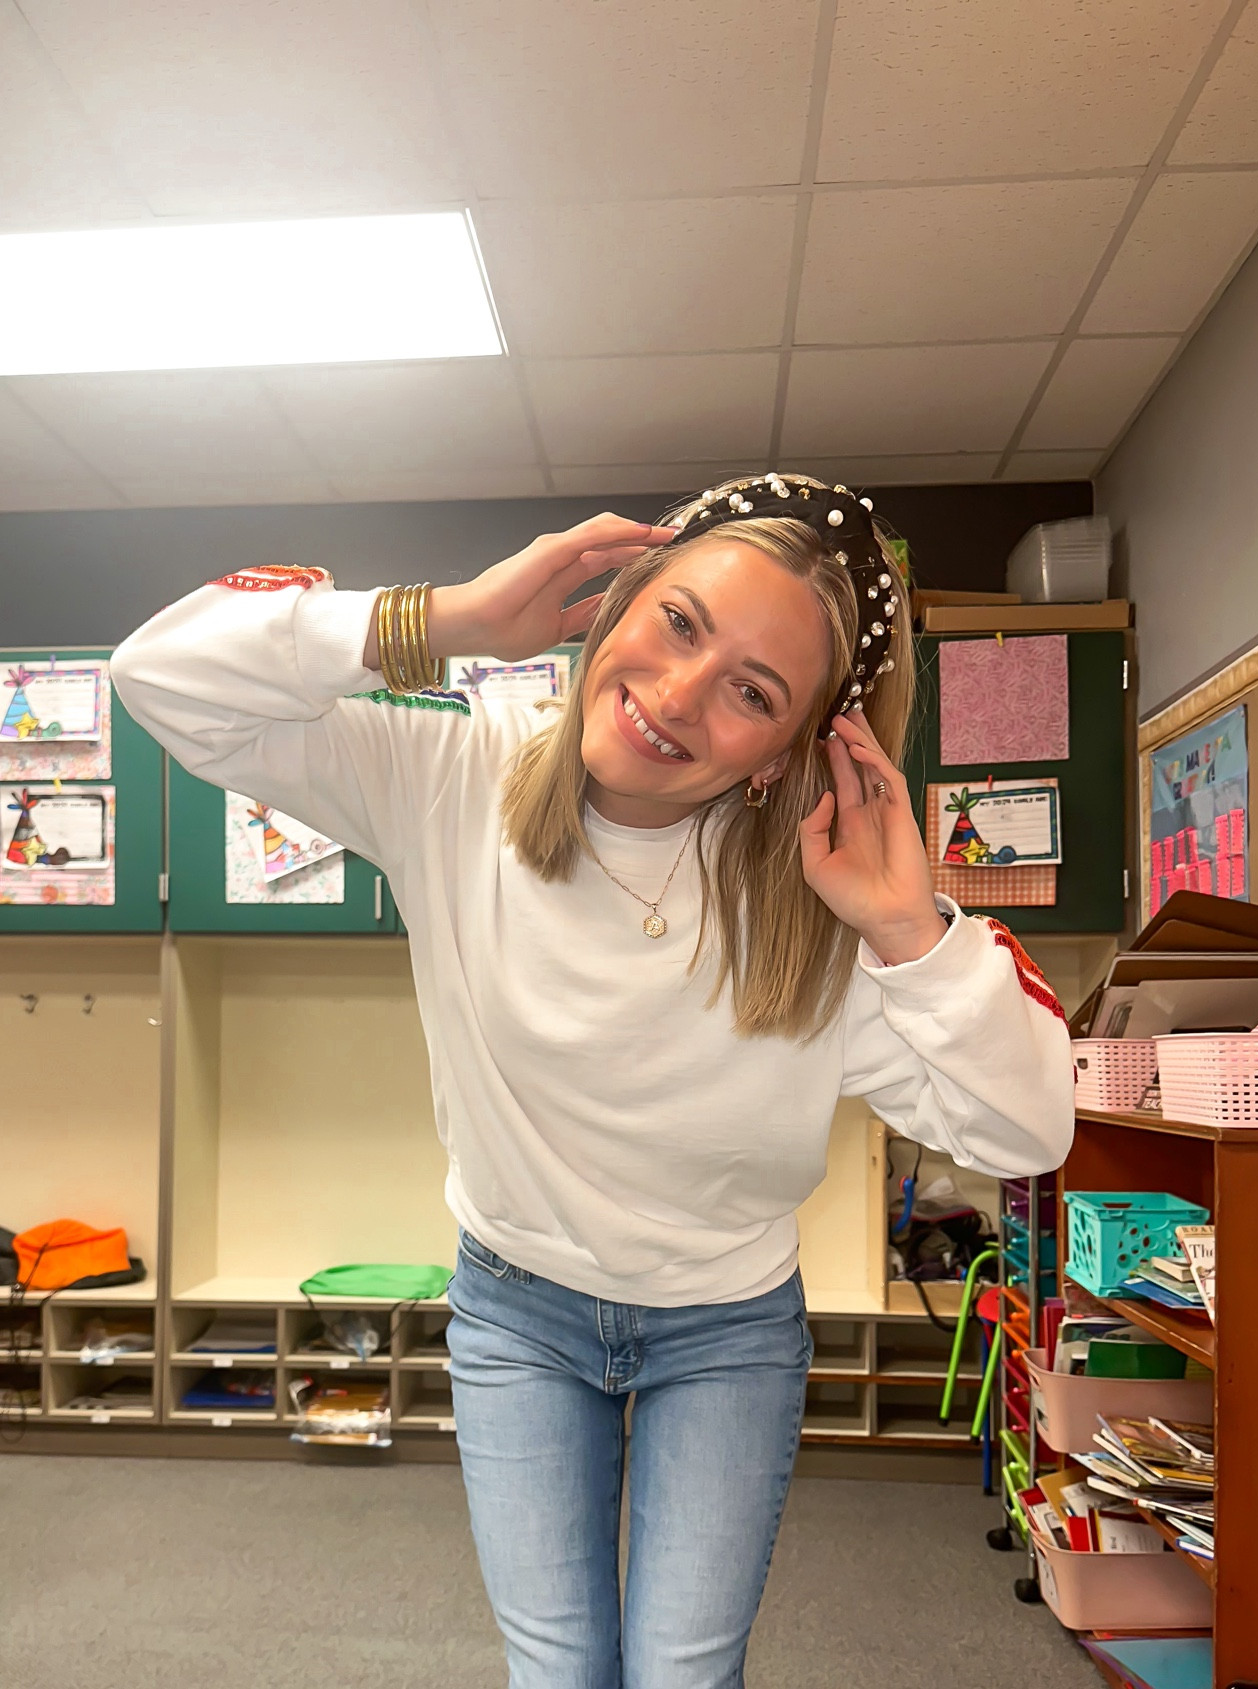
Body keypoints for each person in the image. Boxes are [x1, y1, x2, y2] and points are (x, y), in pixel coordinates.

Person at [111, 472, 1073, 1689]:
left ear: (793, 750)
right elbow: (160, 677)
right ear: (619, 602)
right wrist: (450, 617)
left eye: (753, 692)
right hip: (519, 1312)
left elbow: (1027, 1129)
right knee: (558, 1669)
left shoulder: (824, 902)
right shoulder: (453, 782)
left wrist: (907, 932)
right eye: (678, 623)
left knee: (682, 1673)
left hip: (725, 1331)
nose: (676, 697)